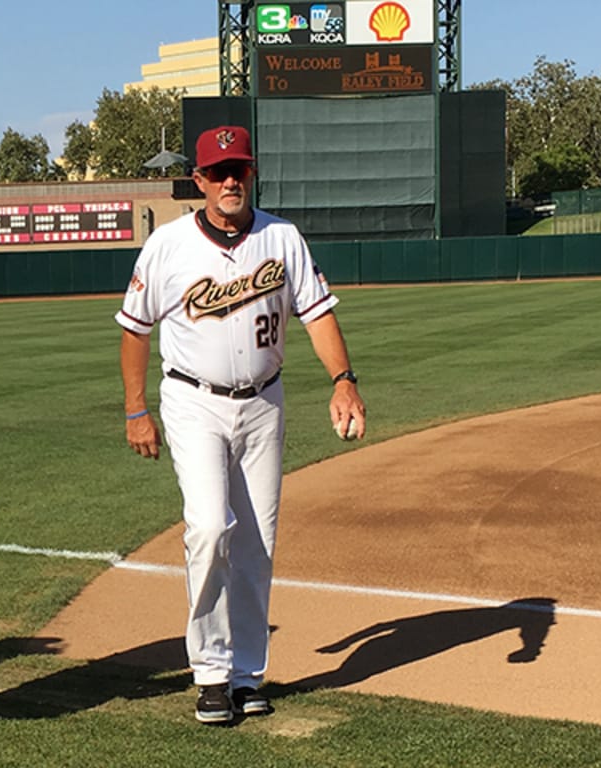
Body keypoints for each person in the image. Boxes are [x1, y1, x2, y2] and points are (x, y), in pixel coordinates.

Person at [117, 125, 367, 725]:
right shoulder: (169, 246)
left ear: (252, 174)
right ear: (198, 180)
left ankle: (248, 672)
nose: (232, 180)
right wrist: (135, 409)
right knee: (208, 527)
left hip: (264, 403)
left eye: (241, 170)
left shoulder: (281, 237)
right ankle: (209, 672)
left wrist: (343, 379)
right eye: (219, 171)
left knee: (256, 545)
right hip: (192, 401)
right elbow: (134, 328)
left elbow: (318, 314)